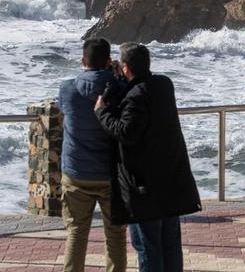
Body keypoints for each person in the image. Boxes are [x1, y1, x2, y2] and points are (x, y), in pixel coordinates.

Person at [94, 42, 201, 272]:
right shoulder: (164, 85)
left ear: (125, 68)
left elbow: (125, 132)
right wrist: (122, 78)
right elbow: (140, 97)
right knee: (170, 244)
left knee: (147, 246)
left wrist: (102, 112)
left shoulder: (135, 96)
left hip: (145, 187)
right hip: (171, 180)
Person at [58, 38, 127, 272]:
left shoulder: (67, 89)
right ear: (109, 61)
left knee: (76, 233)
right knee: (115, 235)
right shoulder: (120, 88)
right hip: (111, 174)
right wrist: (118, 77)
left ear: (82, 60)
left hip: (76, 172)